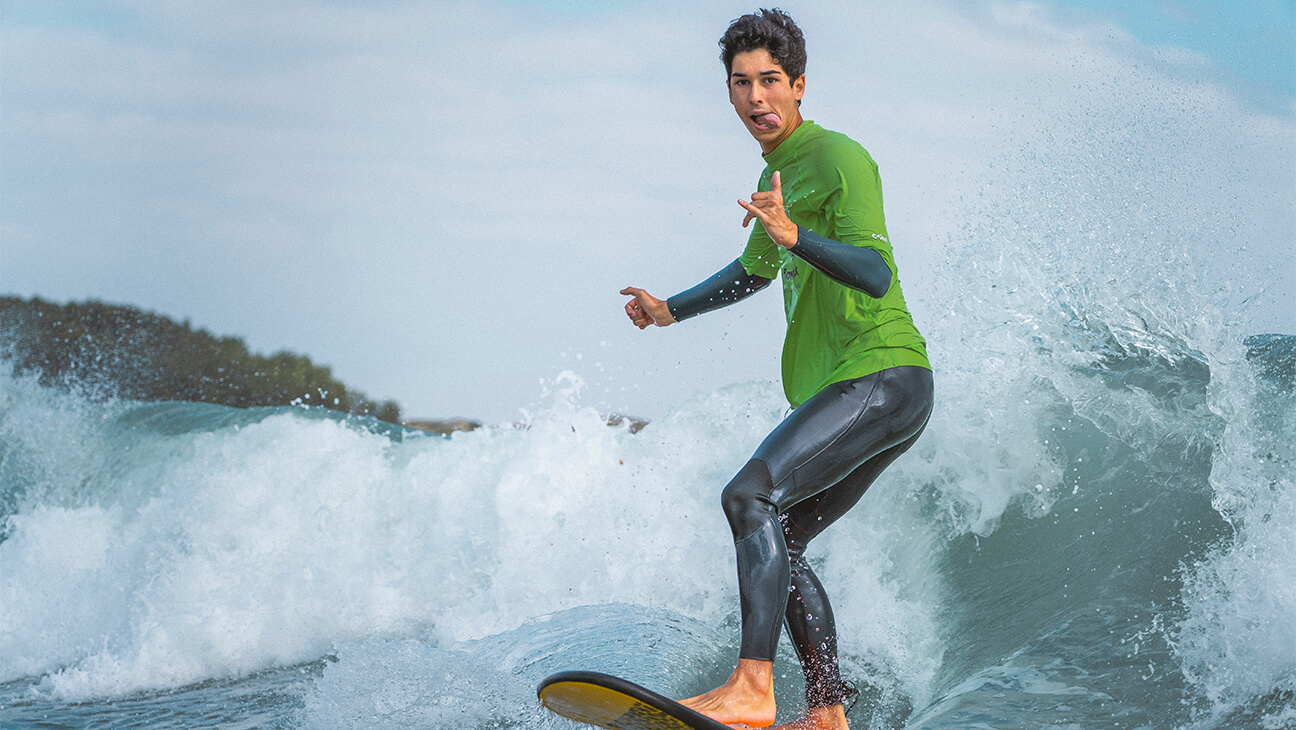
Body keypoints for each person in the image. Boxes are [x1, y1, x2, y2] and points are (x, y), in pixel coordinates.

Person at [619, 8, 934, 730]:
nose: (755, 97)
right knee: (780, 537)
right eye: (740, 84)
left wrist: (798, 234)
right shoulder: (776, 173)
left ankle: (752, 689)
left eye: (769, 81)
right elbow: (754, 273)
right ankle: (827, 712)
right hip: (869, 388)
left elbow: (875, 272)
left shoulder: (837, 157)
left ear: (798, 85)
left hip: (882, 374)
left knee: (746, 498)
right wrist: (671, 309)